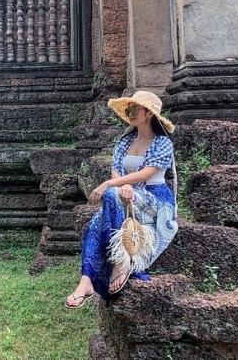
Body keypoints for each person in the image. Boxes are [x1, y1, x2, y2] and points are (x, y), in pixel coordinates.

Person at [65, 90, 179, 309]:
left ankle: (121, 262)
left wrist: (111, 184)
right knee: (96, 223)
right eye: (129, 109)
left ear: (149, 114)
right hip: (127, 193)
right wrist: (122, 185)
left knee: (109, 194)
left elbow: (146, 174)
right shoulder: (125, 141)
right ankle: (86, 281)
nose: (130, 113)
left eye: (135, 109)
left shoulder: (162, 143)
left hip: (155, 199)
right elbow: (116, 169)